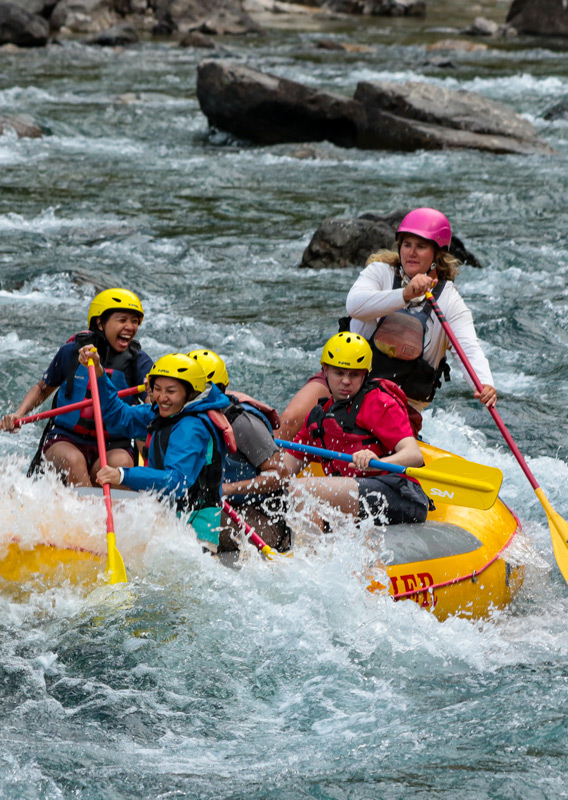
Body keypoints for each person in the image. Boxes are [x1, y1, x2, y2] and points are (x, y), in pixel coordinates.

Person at [279, 208, 496, 440]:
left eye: (421, 246)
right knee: (292, 419)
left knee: (362, 447)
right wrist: (404, 295)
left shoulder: (449, 300)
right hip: (343, 381)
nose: (411, 252)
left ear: (436, 253)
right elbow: (355, 306)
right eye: (406, 244)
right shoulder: (379, 273)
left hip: (397, 404)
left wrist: (484, 383)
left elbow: (469, 349)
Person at [0, 288, 153, 487]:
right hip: (66, 439)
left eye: (135, 321)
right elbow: (43, 387)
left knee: (119, 466)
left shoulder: (138, 361)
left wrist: (156, 399)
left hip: (114, 444)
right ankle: (89, 512)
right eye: (122, 320)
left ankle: (97, 510)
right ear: (100, 322)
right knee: (73, 461)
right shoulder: (70, 352)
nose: (130, 327)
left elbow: (153, 401)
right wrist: (19, 414)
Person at [81, 349, 231, 550]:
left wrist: (122, 475)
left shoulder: (191, 428)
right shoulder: (161, 414)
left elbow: (176, 482)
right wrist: (99, 373)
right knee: (91, 511)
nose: (161, 397)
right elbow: (119, 417)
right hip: (165, 516)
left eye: (171, 391)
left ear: (190, 392)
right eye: (157, 389)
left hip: (193, 535)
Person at [283, 333, 430, 530]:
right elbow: (283, 471)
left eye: (354, 375)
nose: (346, 381)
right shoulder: (318, 419)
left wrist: (376, 463)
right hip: (355, 496)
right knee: (283, 491)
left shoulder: (378, 402)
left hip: (399, 494)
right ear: (325, 371)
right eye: (339, 373)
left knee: (302, 490)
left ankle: (313, 558)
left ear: (364, 375)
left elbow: (414, 455)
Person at [187, 348, 291, 551]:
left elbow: (281, 475)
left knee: (182, 526)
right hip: (215, 508)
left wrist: (227, 490)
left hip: (261, 520)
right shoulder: (184, 422)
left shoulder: (242, 423)